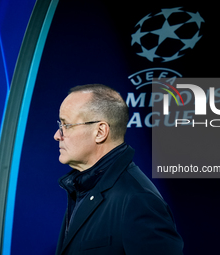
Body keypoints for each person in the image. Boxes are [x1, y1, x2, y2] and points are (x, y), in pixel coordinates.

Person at [54, 84, 184, 255]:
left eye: (66, 125)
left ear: (100, 131)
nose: (57, 135)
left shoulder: (138, 199)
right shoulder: (83, 187)